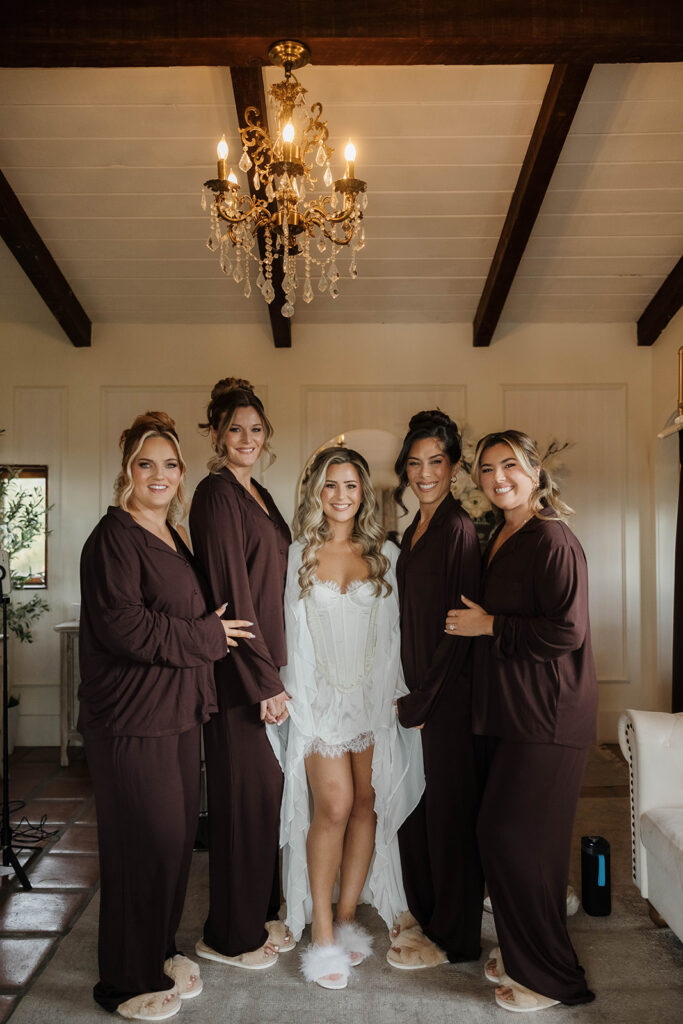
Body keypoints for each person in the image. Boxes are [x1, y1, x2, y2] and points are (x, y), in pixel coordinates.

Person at [78, 412, 253, 1021]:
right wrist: (208, 637)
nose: (159, 475)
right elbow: (124, 626)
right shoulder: (113, 538)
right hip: (131, 720)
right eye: (146, 464)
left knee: (176, 843)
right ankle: (123, 983)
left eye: (170, 465)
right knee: (140, 846)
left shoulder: (173, 535)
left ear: (181, 474)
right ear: (128, 469)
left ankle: (157, 950)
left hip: (178, 713)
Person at [446, 429, 597, 1012]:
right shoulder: (503, 533)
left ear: (534, 471)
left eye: (510, 466)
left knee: (516, 841)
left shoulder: (553, 539)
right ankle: (521, 950)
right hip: (516, 712)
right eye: (487, 469)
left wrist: (489, 627)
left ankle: (550, 976)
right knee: (510, 839)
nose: (498, 477)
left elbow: (567, 631)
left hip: (550, 715)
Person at [275, 446, 424, 990]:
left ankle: (344, 920)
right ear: (317, 492)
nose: (341, 496)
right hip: (318, 701)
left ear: (364, 493)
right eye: (331, 486)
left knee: (367, 802)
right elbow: (286, 633)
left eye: (351, 486)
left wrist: (400, 695)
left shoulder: (386, 554)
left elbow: (399, 634)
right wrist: (293, 696)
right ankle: (318, 931)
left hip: (373, 698)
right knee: (332, 805)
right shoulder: (296, 556)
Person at [189, 378, 293, 972]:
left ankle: (255, 914)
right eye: (235, 429)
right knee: (241, 800)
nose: (247, 438)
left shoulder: (261, 495)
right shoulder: (215, 494)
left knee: (265, 799)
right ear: (215, 434)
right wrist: (264, 683)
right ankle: (228, 935)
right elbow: (232, 597)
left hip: (268, 669)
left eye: (256, 429)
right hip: (239, 677)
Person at [388, 409, 485, 970]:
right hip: (416, 695)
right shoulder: (413, 531)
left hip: (445, 700)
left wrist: (424, 700)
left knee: (450, 817)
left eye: (437, 462)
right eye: (416, 462)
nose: (425, 473)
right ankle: (425, 914)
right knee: (416, 810)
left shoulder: (459, 530)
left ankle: (456, 941)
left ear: (453, 469)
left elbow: (461, 629)